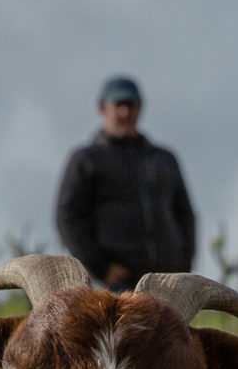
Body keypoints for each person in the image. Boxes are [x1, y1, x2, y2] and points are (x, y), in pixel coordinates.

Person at [54, 76, 196, 292]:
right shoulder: (86, 160)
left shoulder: (163, 159)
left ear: (140, 109)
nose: (124, 112)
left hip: (166, 285)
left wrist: (183, 267)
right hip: (116, 287)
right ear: (102, 108)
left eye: (130, 105)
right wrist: (101, 268)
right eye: (118, 105)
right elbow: (67, 217)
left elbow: (185, 215)